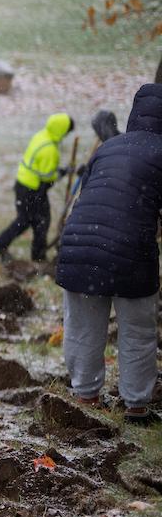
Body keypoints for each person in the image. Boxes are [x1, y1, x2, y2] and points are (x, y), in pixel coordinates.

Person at [56, 84, 162, 425]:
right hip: (131, 249)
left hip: (78, 244)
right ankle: (136, 406)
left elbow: (88, 195)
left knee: (83, 327)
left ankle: (85, 396)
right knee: (137, 330)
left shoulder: (108, 147)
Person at [0, 113, 74, 262]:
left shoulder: (42, 135)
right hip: (33, 189)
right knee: (40, 222)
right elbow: (47, 176)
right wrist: (64, 172)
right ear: (62, 130)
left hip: (23, 184)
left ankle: (1, 246)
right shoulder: (50, 149)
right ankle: (36, 257)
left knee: (27, 220)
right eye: (67, 132)